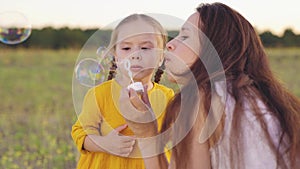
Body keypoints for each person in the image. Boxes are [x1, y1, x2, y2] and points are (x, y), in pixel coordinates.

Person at [119, 2, 300, 169]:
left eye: (185, 37)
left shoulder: (203, 98)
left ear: (214, 50)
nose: (170, 44)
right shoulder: (268, 100)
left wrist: (146, 133)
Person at [71, 14, 174, 169]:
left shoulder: (168, 97)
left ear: (161, 57)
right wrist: (105, 144)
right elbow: (81, 133)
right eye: (126, 48)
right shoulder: (100, 94)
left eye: (145, 48)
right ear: (116, 57)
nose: (135, 55)